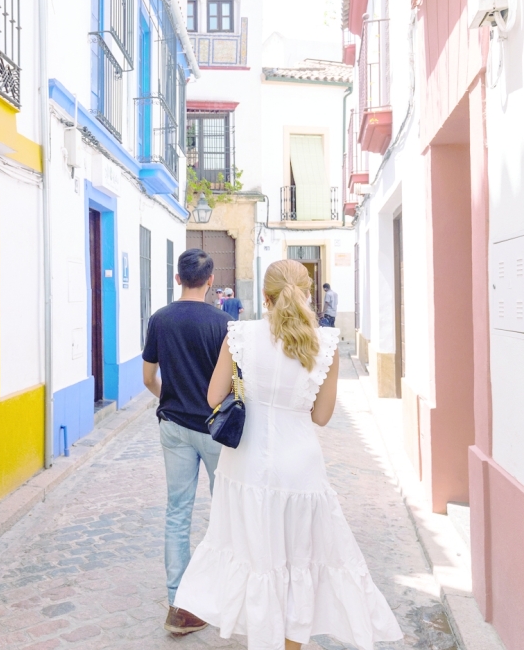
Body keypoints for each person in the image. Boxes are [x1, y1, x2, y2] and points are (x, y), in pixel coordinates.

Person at [172, 260, 403, 650]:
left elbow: (213, 397)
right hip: (299, 465)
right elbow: (322, 416)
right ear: (307, 293)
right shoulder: (325, 343)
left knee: (255, 556)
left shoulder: (239, 335)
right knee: (297, 561)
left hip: (245, 464)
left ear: (265, 296)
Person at [142, 249, 231, 635]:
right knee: (225, 510)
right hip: (214, 430)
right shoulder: (224, 323)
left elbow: (149, 378)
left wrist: (170, 399)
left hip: (174, 427)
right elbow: (234, 382)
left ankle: (178, 603)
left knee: (177, 512)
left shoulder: (159, 320)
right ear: (210, 281)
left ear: (177, 278)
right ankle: (222, 594)